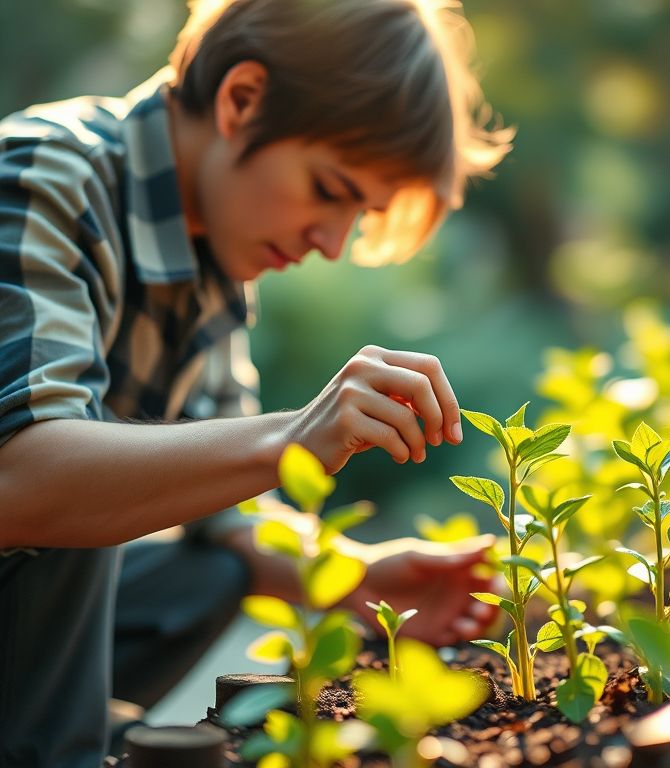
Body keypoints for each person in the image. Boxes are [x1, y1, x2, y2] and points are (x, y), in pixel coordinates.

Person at [0, 1, 513, 765]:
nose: (331, 243)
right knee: (82, 477)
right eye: (328, 189)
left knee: (211, 571)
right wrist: (292, 436)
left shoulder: (213, 254)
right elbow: (22, 482)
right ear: (242, 100)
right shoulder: (46, 178)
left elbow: (227, 515)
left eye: (359, 213)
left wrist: (357, 578)